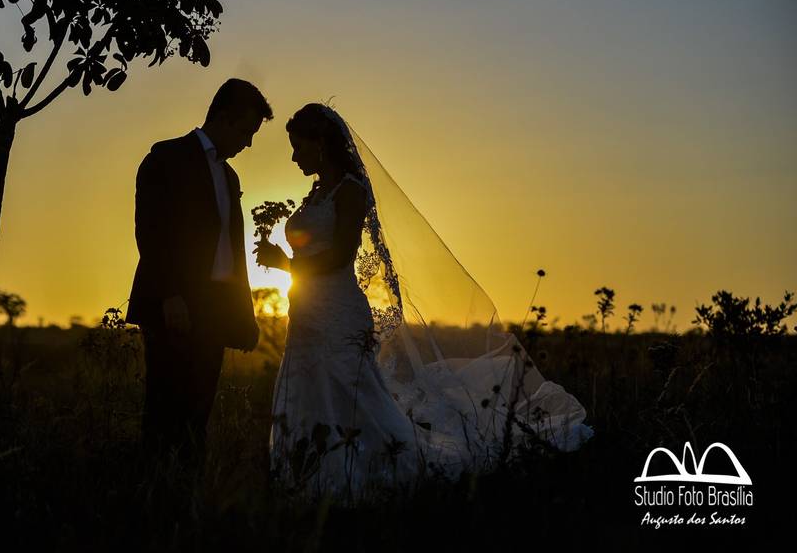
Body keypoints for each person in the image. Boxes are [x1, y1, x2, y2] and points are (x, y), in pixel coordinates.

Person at [254, 103, 594, 502]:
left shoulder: (350, 191)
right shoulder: (315, 194)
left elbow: (342, 255)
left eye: (298, 146)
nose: (294, 157)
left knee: (352, 395)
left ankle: (377, 474)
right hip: (306, 312)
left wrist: (285, 263)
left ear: (321, 144)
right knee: (309, 390)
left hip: (338, 313)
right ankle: (311, 478)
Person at [126, 78, 272, 469]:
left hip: (215, 308)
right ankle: (153, 496)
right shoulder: (167, 157)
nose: (248, 143)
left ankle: (187, 500)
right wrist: (170, 294)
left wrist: (244, 315)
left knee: (197, 414)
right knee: (163, 410)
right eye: (246, 131)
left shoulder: (230, 178)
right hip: (175, 304)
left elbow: (232, 253)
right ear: (223, 119)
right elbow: (151, 230)